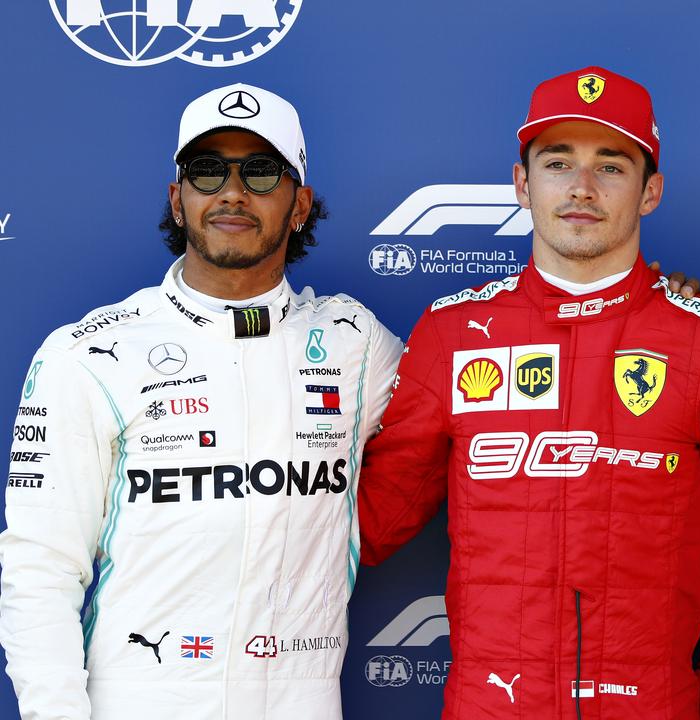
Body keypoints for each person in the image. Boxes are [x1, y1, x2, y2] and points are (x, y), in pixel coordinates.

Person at [357, 65, 700, 719]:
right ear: (521, 183)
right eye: (558, 162)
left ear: (651, 191)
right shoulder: (453, 333)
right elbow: (368, 523)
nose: (582, 188)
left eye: (611, 166)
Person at [0, 83, 404, 719]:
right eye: (208, 170)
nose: (233, 192)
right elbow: (39, 568)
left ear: (300, 204)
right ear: (177, 198)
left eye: (261, 172)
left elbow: (457, 428)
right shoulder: (90, 353)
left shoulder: (356, 345)